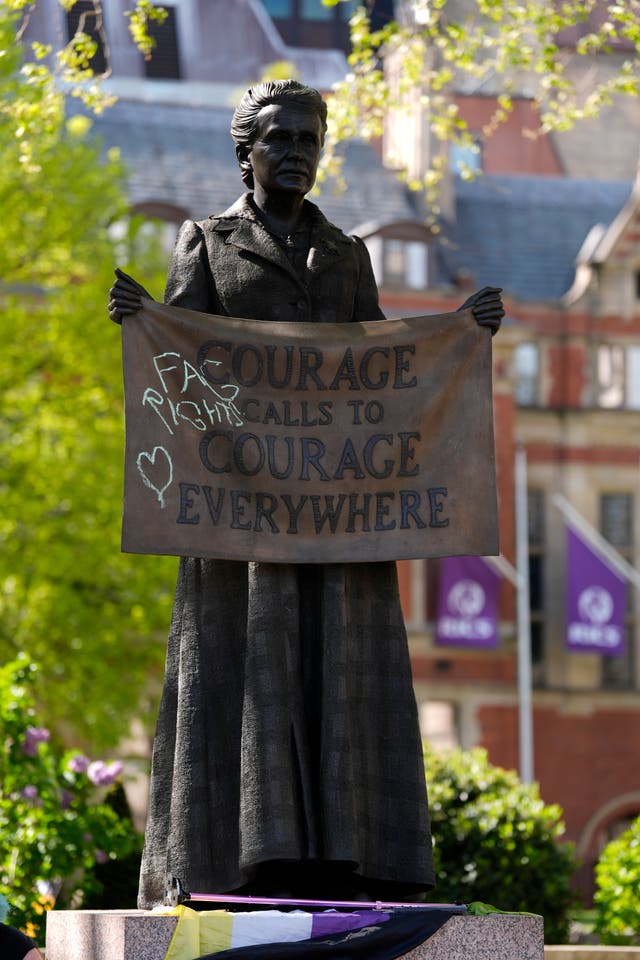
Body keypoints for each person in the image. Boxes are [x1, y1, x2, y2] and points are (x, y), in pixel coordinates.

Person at [109, 80, 503, 909]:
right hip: (241, 521)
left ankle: (347, 857)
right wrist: (142, 321)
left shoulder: (348, 253)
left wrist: (461, 333)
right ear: (245, 149)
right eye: (280, 139)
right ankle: (236, 860)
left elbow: (384, 372)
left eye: (310, 140)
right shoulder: (206, 244)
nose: (297, 153)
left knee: (340, 670)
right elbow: (178, 375)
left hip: (338, 519)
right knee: (246, 672)